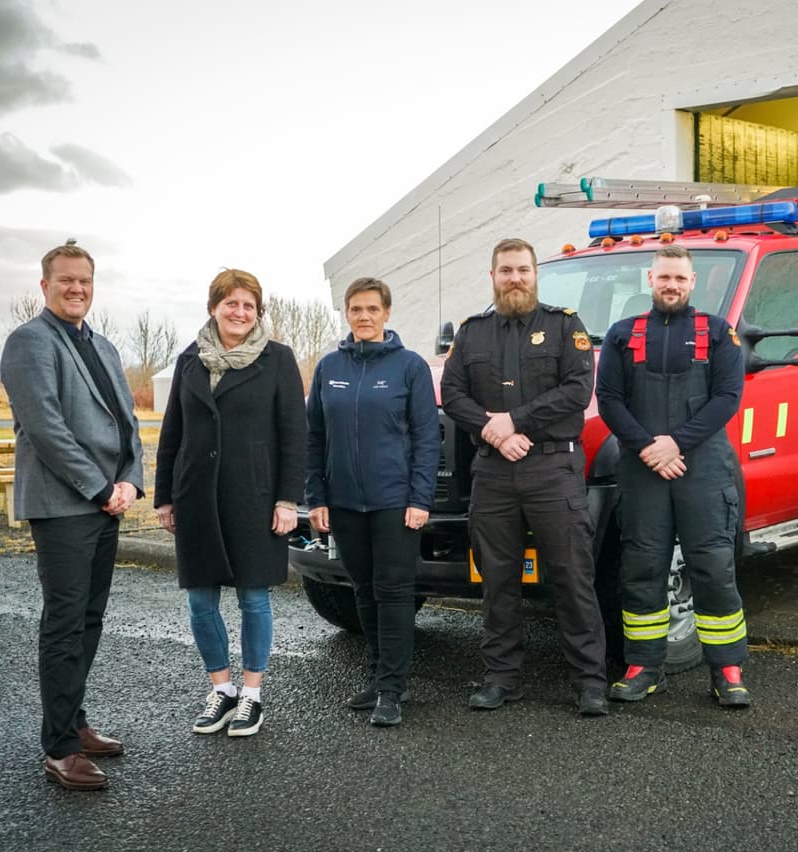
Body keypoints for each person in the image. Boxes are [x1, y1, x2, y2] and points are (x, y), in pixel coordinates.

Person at [441, 238, 609, 717]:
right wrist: (493, 433)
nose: (515, 278)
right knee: (497, 581)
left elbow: (578, 389)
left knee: (571, 576)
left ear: (536, 275)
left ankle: (589, 681)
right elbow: (453, 393)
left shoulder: (563, 326)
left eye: (522, 270)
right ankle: (501, 677)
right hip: (493, 473)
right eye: (505, 270)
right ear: (491, 277)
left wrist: (513, 422)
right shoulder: (472, 333)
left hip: (553, 468)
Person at [0, 241, 144, 791]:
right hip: (64, 506)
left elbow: (127, 421)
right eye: (65, 280)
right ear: (45, 286)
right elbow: (46, 430)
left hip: (107, 501)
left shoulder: (103, 346)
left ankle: (74, 721)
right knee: (63, 623)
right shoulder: (29, 342)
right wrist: (99, 488)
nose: (76, 288)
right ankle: (59, 748)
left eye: (84, 280)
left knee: (89, 619)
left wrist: (131, 479)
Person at [595, 244, 751, 708]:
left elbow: (727, 398)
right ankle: (644, 666)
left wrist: (674, 443)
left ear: (692, 282)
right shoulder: (622, 335)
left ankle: (727, 669)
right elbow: (609, 401)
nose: (672, 286)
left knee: (714, 567)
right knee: (641, 568)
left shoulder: (720, 333)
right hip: (644, 469)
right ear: (650, 279)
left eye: (680, 279)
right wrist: (648, 447)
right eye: (664, 278)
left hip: (701, 468)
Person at [154, 269, 306, 738]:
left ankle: (252, 696)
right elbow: (172, 431)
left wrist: (288, 500)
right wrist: (164, 497)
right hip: (196, 494)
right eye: (231, 303)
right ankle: (221, 690)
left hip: (255, 496)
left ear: (258, 312)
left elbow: (295, 435)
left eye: (248, 305)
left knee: (253, 598)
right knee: (200, 600)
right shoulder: (189, 360)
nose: (239, 312)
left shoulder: (278, 359)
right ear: (213, 307)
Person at [305, 277, 440, 727]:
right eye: (356, 309)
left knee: (394, 591)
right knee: (363, 589)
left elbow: (426, 439)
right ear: (346, 314)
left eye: (372, 309)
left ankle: (392, 689)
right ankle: (376, 675)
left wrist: (420, 497)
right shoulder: (329, 368)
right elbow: (314, 438)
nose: (364, 317)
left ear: (386, 313)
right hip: (344, 503)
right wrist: (316, 497)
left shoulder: (410, 367)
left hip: (395, 503)